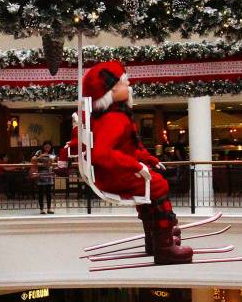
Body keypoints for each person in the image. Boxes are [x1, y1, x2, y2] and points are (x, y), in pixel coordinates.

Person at [82, 61, 191, 264]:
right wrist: (136, 166)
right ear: (111, 91)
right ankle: (164, 246)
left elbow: (129, 149)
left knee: (151, 186)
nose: (129, 84)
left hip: (112, 174)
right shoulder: (114, 118)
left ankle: (155, 238)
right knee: (157, 185)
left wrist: (148, 160)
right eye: (123, 82)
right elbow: (102, 154)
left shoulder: (113, 116)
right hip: (114, 177)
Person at [31, 141, 56, 214]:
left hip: (49, 174)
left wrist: (51, 160)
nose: (47, 147)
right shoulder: (39, 152)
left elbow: (53, 161)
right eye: (46, 146)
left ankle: (49, 208)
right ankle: (41, 209)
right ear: (43, 146)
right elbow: (33, 159)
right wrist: (41, 156)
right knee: (40, 192)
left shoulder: (52, 152)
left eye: (49, 146)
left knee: (49, 192)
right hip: (40, 174)